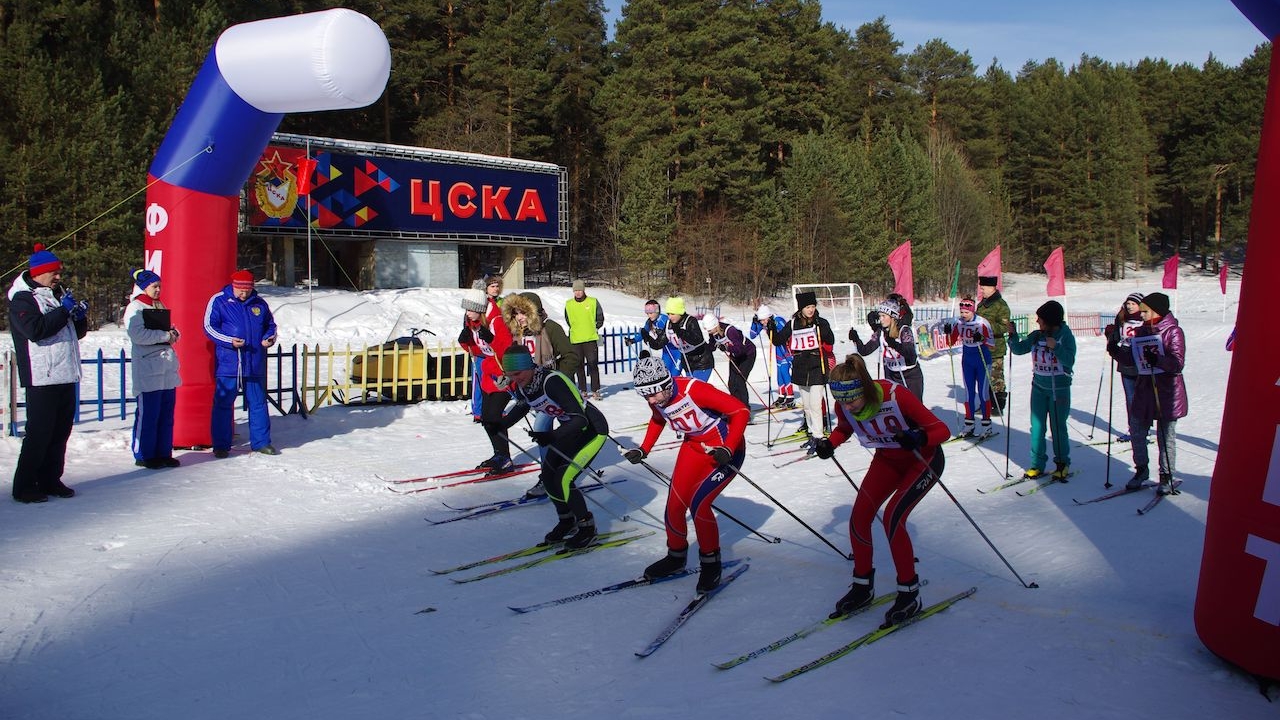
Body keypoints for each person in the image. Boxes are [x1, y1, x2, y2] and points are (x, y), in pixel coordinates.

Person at [813, 354, 948, 627]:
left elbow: (941, 430)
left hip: (923, 460)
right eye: (842, 401)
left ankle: (909, 592)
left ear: (863, 389)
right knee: (860, 517)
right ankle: (863, 586)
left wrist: (918, 436)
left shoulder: (895, 396)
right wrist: (831, 443)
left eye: (851, 400)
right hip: (887, 459)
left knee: (893, 518)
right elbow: (844, 428)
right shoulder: (845, 404)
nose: (847, 406)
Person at [623, 357, 748, 594]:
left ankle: (711, 563)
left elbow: (740, 410)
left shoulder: (695, 390)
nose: (650, 400)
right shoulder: (656, 397)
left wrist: (728, 447)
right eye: (645, 395)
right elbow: (658, 418)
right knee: (674, 505)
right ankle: (676, 556)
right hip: (694, 447)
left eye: (652, 394)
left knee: (699, 505)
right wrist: (644, 448)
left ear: (666, 384)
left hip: (724, 448)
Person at [498, 345, 607, 548]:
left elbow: (580, 420)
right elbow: (523, 405)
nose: (515, 379)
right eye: (510, 375)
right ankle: (567, 521)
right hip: (570, 430)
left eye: (518, 373)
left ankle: (587, 528)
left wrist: (551, 435)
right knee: (548, 476)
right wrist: (500, 424)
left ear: (529, 367)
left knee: (564, 479)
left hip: (592, 430)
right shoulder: (527, 385)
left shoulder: (552, 382)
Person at [8, 243, 87, 503]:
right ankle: (25, 485)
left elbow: (74, 333)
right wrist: (63, 311)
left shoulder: (54, 295)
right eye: (54, 273)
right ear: (40, 272)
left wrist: (78, 317)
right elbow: (36, 330)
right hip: (42, 376)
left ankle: (50, 479)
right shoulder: (23, 299)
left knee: (60, 431)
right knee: (39, 433)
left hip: (65, 372)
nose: (58, 277)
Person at [503, 291, 580, 497]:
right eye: (516, 313)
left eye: (523, 312)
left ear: (533, 312)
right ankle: (556, 469)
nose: (519, 317)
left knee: (543, 430)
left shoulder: (550, 328)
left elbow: (571, 356)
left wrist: (558, 380)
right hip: (533, 392)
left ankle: (549, 476)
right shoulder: (518, 334)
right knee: (549, 432)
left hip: (551, 390)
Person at [204, 269, 279, 457]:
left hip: (254, 362)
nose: (243, 293)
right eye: (240, 290)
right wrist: (229, 341)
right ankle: (221, 444)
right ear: (234, 286)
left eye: (247, 290)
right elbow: (209, 327)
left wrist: (269, 338)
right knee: (223, 404)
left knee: (258, 403)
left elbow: (270, 326)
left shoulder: (260, 304)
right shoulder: (219, 300)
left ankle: (261, 442)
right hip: (230, 363)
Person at [1006, 300, 1075, 480]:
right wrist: (1012, 336)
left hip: (1059, 388)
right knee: (1036, 426)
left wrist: (1056, 348)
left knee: (1058, 427)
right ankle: (1037, 464)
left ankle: (1062, 463)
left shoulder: (1065, 335)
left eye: (1040, 319)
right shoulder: (1038, 335)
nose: (1037, 322)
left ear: (1051, 321)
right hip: (1038, 386)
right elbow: (1019, 349)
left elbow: (1069, 361)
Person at [1127, 292, 1187, 494]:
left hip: (1166, 391)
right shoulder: (1141, 330)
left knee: (1165, 434)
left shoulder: (1173, 331)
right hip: (1145, 389)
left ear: (1156, 311)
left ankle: (1166, 475)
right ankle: (1141, 469)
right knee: (1136, 429)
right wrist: (1115, 351)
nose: (1140, 315)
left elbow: (1177, 363)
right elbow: (1132, 358)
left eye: (1144, 311)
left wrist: (1159, 360)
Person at [125, 269, 182, 469]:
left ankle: (163, 452)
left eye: (159, 286)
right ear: (143, 287)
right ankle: (145, 453)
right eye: (154, 287)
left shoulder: (159, 305)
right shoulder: (135, 308)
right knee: (148, 414)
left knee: (165, 414)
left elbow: (170, 328)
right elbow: (138, 335)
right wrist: (165, 336)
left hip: (166, 368)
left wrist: (174, 333)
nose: (158, 290)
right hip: (148, 368)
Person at [459, 287, 514, 472]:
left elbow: (506, 350)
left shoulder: (496, 321)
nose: (467, 314)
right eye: (466, 310)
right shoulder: (472, 323)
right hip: (489, 372)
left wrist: (491, 338)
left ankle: (505, 457)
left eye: (470, 310)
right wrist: (465, 342)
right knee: (485, 417)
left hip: (505, 373)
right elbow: (477, 351)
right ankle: (499, 453)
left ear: (480, 309)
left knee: (493, 416)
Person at [771, 290, 835, 447]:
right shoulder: (793, 323)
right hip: (800, 368)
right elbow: (778, 341)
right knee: (806, 407)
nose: (811, 310)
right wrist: (771, 329)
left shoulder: (820, 322)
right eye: (807, 307)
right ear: (801, 309)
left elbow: (830, 339)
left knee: (815, 404)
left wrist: (823, 328)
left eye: (813, 306)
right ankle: (813, 433)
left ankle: (819, 437)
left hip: (816, 367)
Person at [850, 298, 923, 399]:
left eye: (884, 316)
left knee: (914, 409)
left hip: (910, 376)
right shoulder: (881, 332)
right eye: (879, 316)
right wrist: (856, 339)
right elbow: (865, 350)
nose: (881, 319)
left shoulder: (904, 330)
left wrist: (894, 344)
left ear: (892, 317)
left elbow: (910, 354)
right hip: (892, 375)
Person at [944, 296, 995, 438]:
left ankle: (986, 425)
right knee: (969, 393)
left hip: (982, 360)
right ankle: (969, 424)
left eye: (966, 312)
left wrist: (982, 339)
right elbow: (950, 342)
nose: (963, 315)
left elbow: (991, 344)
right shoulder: (959, 323)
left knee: (983, 393)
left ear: (973, 311)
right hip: (967, 361)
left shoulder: (982, 323)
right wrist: (948, 332)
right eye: (962, 312)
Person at [1104, 292, 1145, 445]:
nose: (1129, 306)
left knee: (1143, 398)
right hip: (1125, 359)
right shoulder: (1121, 318)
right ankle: (1133, 429)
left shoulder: (1145, 318)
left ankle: (1144, 429)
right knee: (1130, 398)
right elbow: (1115, 336)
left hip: (1142, 361)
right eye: (1128, 303)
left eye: (1133, 304)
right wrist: (1110, 335)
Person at [467, 275, 505, 421]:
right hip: (481, 348)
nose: (495, 289)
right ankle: (478, 410)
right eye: (492, 286)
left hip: (495, 348)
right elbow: (470, 321)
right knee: (480, 380)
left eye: (497, 286)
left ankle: (496, 408)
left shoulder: (501, 302)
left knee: (497, 380)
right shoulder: (478, 303)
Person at [701, 312, 756, 409]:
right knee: (731, 383)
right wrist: (703, 348)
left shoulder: (730, 331)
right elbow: (712, 346)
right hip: (735, 356)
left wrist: (726, 348)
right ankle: (736, 407)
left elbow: (740, 349)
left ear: (715, 325)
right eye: (708, 330)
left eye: (710, 330)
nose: (709, 332)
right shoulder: (714, 333)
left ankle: (745, 409)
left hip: (747, 354)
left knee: (739, 381)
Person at [975, 276, 1012, 415]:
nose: (982, 290)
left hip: (995, 348)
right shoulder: (982, 304)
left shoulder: (1001, 305)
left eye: (983, 288)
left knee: (996, 378)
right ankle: (985, 404)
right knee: (983, 378)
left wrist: (986, 328)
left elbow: (1004, 327)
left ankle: (998, 405)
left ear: (992, 288)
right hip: (981, 347)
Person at [656, 297, 715, 381]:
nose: (670, 317)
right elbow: (659, 343)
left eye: (672, 314)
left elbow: (696, 339)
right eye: (668, 314)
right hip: (688, 363)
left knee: (697, 389)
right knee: (690, 391)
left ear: (679, 312)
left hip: (702, 361)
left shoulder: (690, 321)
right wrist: (647, 337)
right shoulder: (669, 323)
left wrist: (680, 332)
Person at [564, 279, 604, 399]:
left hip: (590, 338)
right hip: (575, 339)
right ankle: (582, 390)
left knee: (592, 364)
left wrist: (594, 327)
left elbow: (600, 317)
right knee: (579, 366)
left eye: (580, 290)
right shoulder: (569, 304)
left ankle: (596, 390)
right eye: (575, 290)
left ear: (584, 290)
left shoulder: (593, 302)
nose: (578, 293)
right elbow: (567, 319)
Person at [749, 304, 795, 409]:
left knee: (784, 371)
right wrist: (754, 323)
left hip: (787, 347)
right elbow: (752, 335)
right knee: (779, 372)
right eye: (761, 321)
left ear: (769, 316)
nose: (764, 323)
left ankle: (790, 396)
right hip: (778, 348)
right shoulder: (763, 322)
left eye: (765, 320)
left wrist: (773, 329)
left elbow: (788, 334)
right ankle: (781, 396)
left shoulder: (778, 320)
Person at [628, 299, 681, 377]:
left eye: (651, 313)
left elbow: (676, 333)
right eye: (647, 313)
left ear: (657, 311)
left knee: (675, 374)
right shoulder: (650, 322)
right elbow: (644, 333)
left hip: (677, 350)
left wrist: (663, 333)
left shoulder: (664, 320)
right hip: (666, 351)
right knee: (666, 374)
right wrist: (633, 340)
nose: (649, 316)